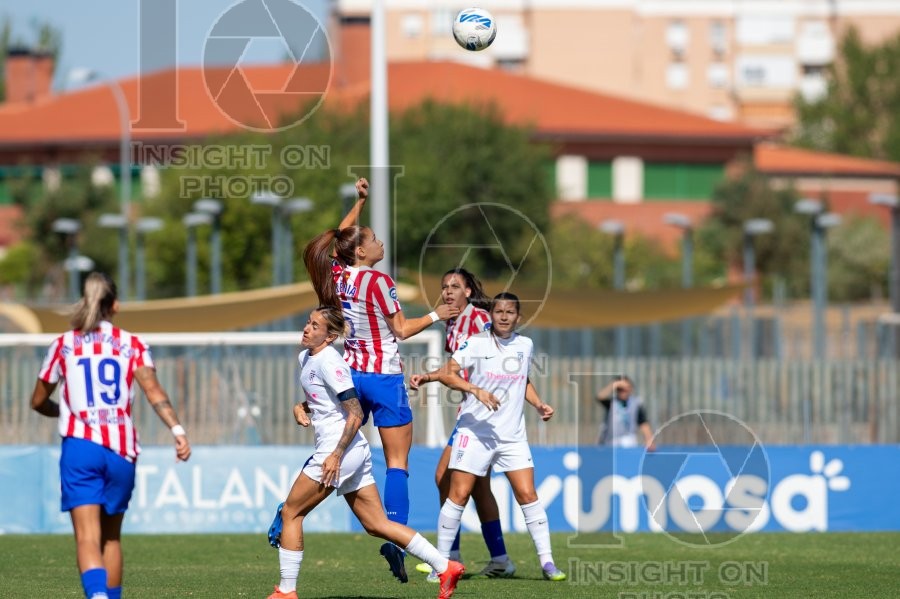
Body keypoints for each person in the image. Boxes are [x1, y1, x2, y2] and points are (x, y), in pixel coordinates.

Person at [302, 177, 459, 581]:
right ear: (361, 250)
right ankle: (396, 540)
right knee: (396, 465)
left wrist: (359, 202)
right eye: (372, 238)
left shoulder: (336, 277)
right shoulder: (379, 281)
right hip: (385, 377)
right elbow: (403, 331)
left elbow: (338, 240)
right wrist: (439, 314)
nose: (378, 241)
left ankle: (286, 517)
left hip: (350, 375)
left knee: (330, 449)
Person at [266, 306, 464, 599]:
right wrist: (301, 406)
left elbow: (355, 413)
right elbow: (325, 399)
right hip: (350, 452)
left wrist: (336, 455)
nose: (307, 328)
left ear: (330, 336)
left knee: (291, 513)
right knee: (377, 525)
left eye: (315, 326)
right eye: (308, 322)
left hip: (338, 450)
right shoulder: (306, 357)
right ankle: (445, 566)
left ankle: (286, 591)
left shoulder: (330, 362)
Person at [30, 272, 191, 599]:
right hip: (121, 451)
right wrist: (177, 430)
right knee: (111, 538)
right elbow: (153, 391)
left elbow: (37, 400)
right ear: (115, 305)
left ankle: (98, 596)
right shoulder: (132, 343)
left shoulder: (63, 344)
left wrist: (63, 411)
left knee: (87, 537)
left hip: (81, 448)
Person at [410, 292, 567, 582]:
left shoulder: (525, 345)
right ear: (490, 315)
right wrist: (475, 390)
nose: (504, 316)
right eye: (499, 312)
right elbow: (450, 373)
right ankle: (441, 565)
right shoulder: (476, 342)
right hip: (475, 432)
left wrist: (538, 404)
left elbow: (523, 380)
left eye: (510, 312)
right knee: (457, 494)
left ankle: (547, 563)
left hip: (511, 436)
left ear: (519, 317)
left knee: (528, 495)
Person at [416, 268, 515, 581]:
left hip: (482, 414)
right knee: (478, 488)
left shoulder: (479, 320)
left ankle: (448, 559)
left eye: (455, 286)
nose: (447, 291)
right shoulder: (453, 322)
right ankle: (499, 559)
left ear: (469, 291)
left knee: (444, 478)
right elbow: (454, 369)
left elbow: (494, 358)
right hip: (471, 411)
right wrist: (431, 377)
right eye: (444, 286)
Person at [596, 376, 656, 450]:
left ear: (630, 389)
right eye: (620, 389)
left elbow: (643, 424)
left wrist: (649, 440)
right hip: (611, 442)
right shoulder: (612, 403)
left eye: (625, 389)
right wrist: (614, 384)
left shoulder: (636, 404)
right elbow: (600, 396)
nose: (623, 392)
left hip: (629, 442)